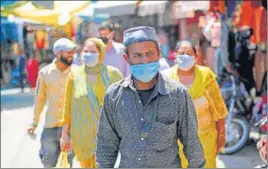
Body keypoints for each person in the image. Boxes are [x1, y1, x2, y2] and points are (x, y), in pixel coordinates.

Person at [96, 26, 206, 168]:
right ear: (126, 58)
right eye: (137, 55)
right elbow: (106, 145)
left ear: (159, 53)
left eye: (150, 53)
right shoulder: (114, 95)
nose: (145, 60)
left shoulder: (178, 94)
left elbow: (193, 145)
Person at [162, 40, 228, 168]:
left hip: (205, 140)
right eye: (181, 53)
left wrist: (221, 135)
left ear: (195, 56)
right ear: (174, 55)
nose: (185, 56)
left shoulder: (206, 75)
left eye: (189, 53)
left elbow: (219, 108)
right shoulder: (166, 78)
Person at [60, 38, 123, 168]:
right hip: (83, 137)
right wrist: (64, 136)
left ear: (100, 53)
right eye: (86, 50)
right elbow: (68, 107)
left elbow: (124, 104)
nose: (88, 53)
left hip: (108, 137)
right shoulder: (74, 75)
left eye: (92, 51)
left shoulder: (113, 74)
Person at [27, 38, 76, 168]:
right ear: (58, 53)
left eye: (72, 51)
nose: (72, 55)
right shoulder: (45, 73)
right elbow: (39, 99)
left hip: (71, 127)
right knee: (48, 162)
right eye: (68, 52)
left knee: (67, 163)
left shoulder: (77, 72)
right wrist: (34, 122)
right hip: (50, 126)